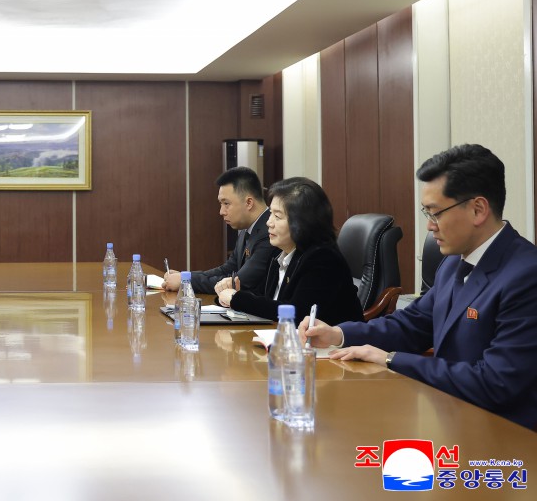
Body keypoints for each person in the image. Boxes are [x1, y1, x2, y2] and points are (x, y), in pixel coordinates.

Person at [302, 144, 537, 429]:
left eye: (435, 213)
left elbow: (496, 382)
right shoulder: (453, 263)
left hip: (509, 436)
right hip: (455, 418)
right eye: (427, 213)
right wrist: (337, 335)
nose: (430, 226)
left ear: (478, 210)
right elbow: (411, 325)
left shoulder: (526, 275)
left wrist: (391, 360)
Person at [217, 176, 362, 326]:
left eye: (277, 216)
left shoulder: (323, 258)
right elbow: (266, 299)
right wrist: (236, 292)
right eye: (271, 213)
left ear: (303, 222)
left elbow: (298, 313)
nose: (269, 222)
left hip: (329, 340)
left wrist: (237, 298)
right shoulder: (279, 253)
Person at [163, 167, 276, 295]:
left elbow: (239, 281)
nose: (221, 212)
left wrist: (186, 281)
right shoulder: (248, 228)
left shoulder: (270, 232)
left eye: (226, 203)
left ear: (249, 202)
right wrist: (186, 276)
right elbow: (227, 269)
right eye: (221, 204)